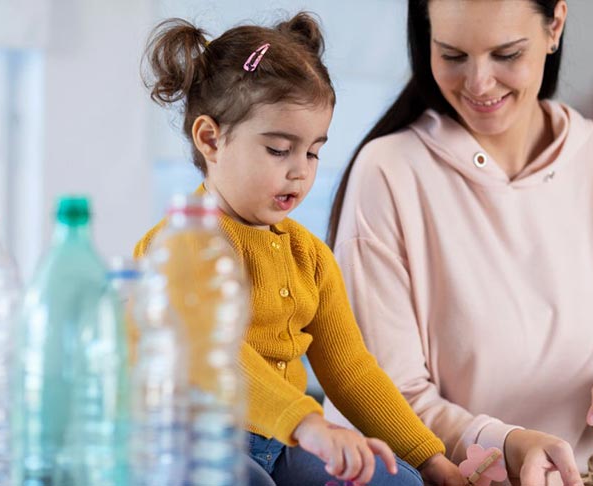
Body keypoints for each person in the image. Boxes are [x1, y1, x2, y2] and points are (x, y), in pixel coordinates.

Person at [323, 0, 593, 485]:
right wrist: (506, 444)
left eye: (506, 54)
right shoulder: (389, 173)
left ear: (554, 27)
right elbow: (380, 397)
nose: (478, 83)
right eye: (453, 56)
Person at [133, 11, 466, 486]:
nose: (300, 172)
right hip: (193, 445)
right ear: (210, 139)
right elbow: (217, 355)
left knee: (402, 482)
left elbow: (350, 371)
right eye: (278, 149)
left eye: (312, 151)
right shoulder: (177, 246)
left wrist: (431, 459)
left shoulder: (308, 255)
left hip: (286, 443)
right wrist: (309, 424)